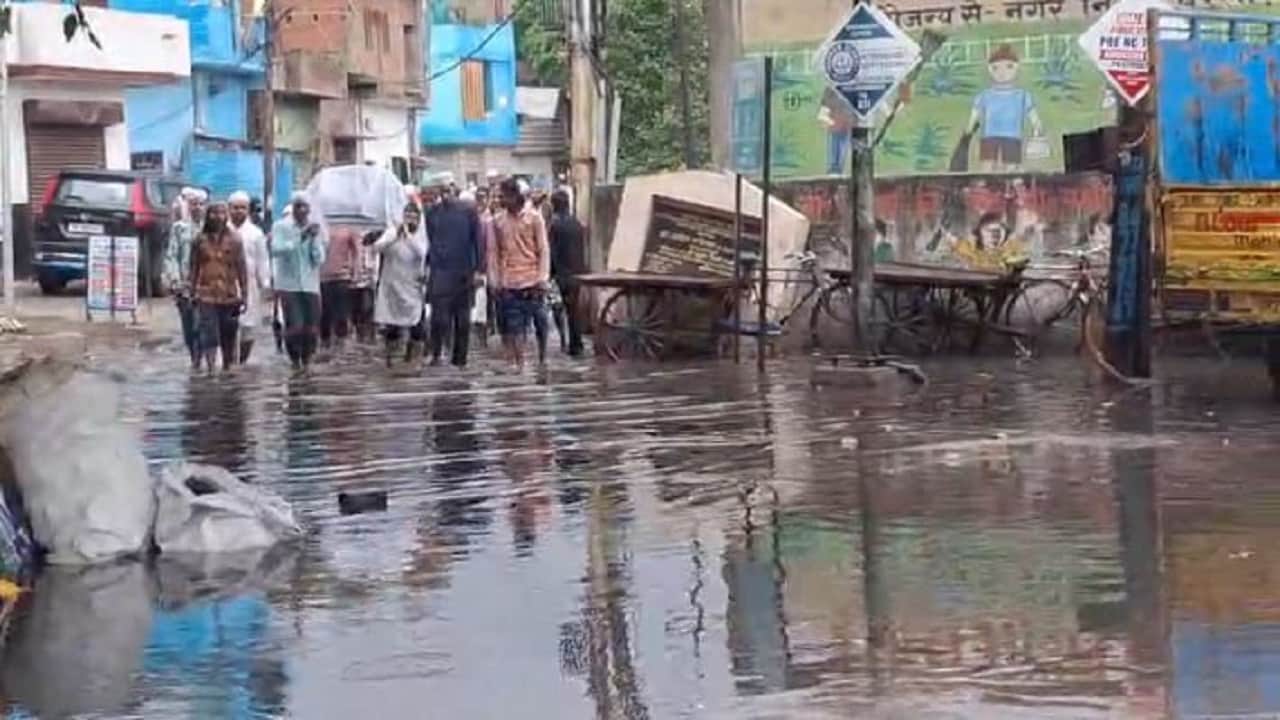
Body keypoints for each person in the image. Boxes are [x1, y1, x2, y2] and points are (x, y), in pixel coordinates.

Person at [490, 177, 550, 370]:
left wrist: (543, 278)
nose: (501, 200)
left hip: (533, 281)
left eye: (505, 196)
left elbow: (543, 249)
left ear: (515, 196)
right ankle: (520, 363)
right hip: (509, 281)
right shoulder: (498, 221)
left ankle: (542, 357)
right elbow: (493, 253)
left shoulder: (534, 218)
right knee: (515, 326)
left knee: (540, 321)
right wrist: (495, 280)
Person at [188, 201, 248, 374]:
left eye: (222, 213)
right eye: (214, 213)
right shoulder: (199, 240)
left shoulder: (235, 239)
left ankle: (228, 368)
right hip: (206, 294)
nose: (218, 217)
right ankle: (211, 369)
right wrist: (191, 292)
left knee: (228, 334)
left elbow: (242, 268)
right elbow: (193, 268)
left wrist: (245, 294)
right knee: (209, 333)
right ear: (208, 216)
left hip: (229, 295)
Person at [426, 187, 482, 367]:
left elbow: (477, 241)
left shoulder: (468, 212)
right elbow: (429, 239)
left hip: (462, 272)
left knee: (461, 319)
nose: (445, 195)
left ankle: (458, 358)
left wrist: (478, 270)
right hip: (442, 270)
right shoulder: (433, 213)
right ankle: (439, 353)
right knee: (440, 317)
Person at [271, 193, 327, 372]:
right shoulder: (281, 227)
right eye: (298, 206)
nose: (302, 210)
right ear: (293, 207)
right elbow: (276, 250)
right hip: (289, 286)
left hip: (310, 285)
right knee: (294, 326)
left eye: (305, 207)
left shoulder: (314, 229)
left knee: (311, 328)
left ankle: (308, 361)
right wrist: (299, 238)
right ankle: (295, 362)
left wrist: (314, 241)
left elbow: (319, 260)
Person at [967, 44, 1044, 173]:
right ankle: (983, 188)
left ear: (1017, 68)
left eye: (1009, 67)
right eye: (996, 68)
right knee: (987, 165)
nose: (1002, 73)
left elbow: (1032, 113)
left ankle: (1008, 189)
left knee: (1011, 167)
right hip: (989, 136)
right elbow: (976, 111)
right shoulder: (985, 95)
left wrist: (1037, 126)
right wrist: (969, 127)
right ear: (989, 69)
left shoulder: (1022, 95)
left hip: (1012, 136)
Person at [370, 202, 429, 367]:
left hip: (413, 286)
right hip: (392, 287)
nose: (410, 219)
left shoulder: (421, 235)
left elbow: (421, 252)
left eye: (414, 216)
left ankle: (413, 359)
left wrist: (408, 235)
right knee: (392, 325)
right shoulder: (392, 231)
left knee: (417, 324)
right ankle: (391, 360)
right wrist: (395, 235)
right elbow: (376, 248)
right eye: (407, 215)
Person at [163, 188, 208, 369]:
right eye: (193, 204)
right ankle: (194, 358)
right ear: (188, 206)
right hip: (184, 285)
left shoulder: (211, 229)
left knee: (201, 325)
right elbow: (172, 255)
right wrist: (174, 280)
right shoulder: (179, 228)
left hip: (206, 285)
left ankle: (201, 358)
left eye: (201, 204)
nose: (197, 207)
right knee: (189, 326)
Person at [228, 190, 271, 363]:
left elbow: (262, 259)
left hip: (250, 284)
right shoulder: (222, 230)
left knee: (248, 327)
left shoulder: (256, 233)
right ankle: (229, 361)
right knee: (229, 325)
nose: (239, 211)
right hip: (227, 283)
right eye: (235, 208)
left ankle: (243, 360)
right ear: (229, 208)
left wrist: (265, 283)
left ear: (248, 210)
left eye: (243, 208)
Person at [548, 188, 586, 356]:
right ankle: (575, 342)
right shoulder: (576, 223)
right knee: (573, 309)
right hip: (577, 272)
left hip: (561, 274)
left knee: (558, 308)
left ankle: (568, 343)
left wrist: (549, 274)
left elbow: (552, 251)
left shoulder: (554, 225)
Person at [318, 225, 359, 352]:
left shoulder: (348, 228)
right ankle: (325, 344)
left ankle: (340, 346)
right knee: (325, 314)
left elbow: (356, 251)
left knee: (341, 313)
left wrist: (355, 272)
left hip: (342, 276)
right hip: (322, 276)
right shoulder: (319, 226)